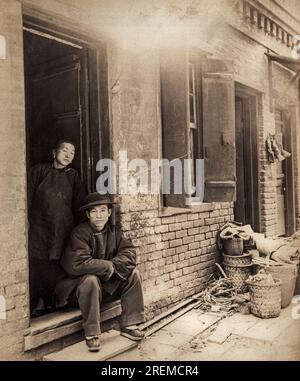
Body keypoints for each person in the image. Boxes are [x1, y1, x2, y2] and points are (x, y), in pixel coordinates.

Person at [56, 192, 145, 352]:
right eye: (94, 211)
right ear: (88, 214)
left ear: (109, 213)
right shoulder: (79, 233)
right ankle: (92, 334)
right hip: (78, 291)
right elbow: (78, 263)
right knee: (90, 279)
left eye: (103, 211)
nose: (99, 216)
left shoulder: (114, 232)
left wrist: (112, 265)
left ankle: (130, 323)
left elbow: (129, 253)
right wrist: (109, 267)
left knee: (134, 274)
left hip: (103, 288)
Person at [28, 139, 86, 317]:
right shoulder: (39, 171)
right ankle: (36, 303)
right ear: (54, 153)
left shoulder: (73, 176)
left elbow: (79, 204)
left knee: (56, 264)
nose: (68, 155)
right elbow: (26, 197)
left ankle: (52, 301)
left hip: (63, 229)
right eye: (65, 150)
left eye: (72, 152)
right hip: (39, 228)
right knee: (39, 263)